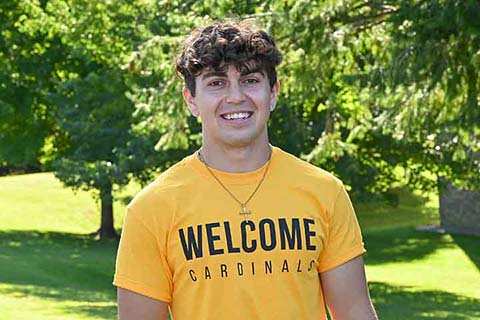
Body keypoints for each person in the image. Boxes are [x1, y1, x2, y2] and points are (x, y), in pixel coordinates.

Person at [114, 19, 378, 320]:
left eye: (250, 80)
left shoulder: (324, 192)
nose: (236, 97)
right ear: (191, 101)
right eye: (216, 83)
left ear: (273, 93)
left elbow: (355, 312)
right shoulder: (152, 208)